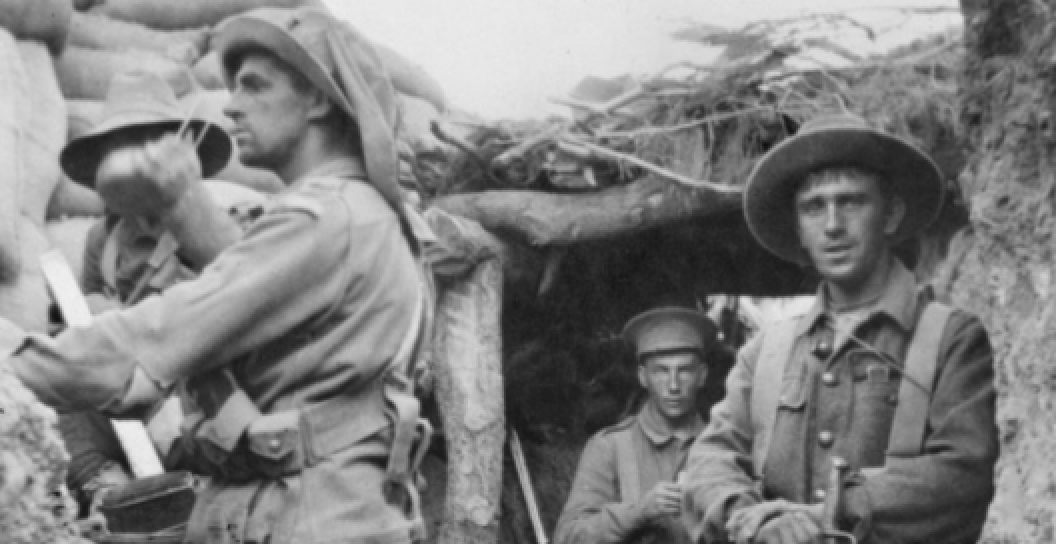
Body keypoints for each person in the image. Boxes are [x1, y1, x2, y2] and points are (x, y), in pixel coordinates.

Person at [6, 7, 431, 544]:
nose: (231, 104)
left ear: (319, 100)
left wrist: (8, 363)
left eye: (254, 87)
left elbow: (145, 346)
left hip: (311, 516)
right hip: (294, 504)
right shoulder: (347, 214)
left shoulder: (324, 220)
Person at [681, 113, 999, 544]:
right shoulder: (767, 350)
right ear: (799, 230)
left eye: (851, 202)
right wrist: (755, 519)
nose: (832, 225)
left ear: (891, 214)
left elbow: (962, 473)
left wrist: (834, 509)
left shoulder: (950, 339)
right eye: (813, 207)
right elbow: (710, 457)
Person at [53, 70, 267, 513]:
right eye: (119, 156)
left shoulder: (211, 225)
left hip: (199, 385)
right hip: (133, 386)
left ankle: (194, 488)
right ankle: (105, 487)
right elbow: (91, 311)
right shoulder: (103, 239)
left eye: (146, 152)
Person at [555, 307, 717, 544]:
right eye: (661, 371)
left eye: (684, 371)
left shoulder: (721, 446)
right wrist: (640, 510)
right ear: (642, 377)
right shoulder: (610, 447)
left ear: (702, 375)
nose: (673, 385)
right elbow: (568, 537)